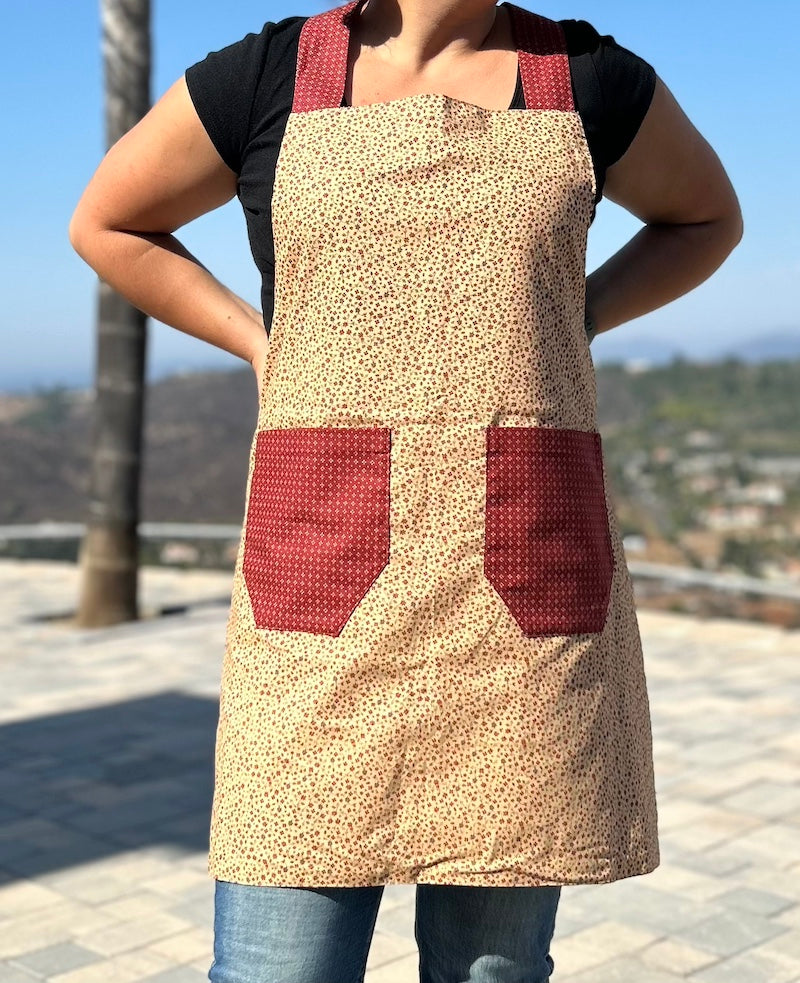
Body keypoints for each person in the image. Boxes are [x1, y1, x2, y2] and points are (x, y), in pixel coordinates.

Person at [69, 0, 743, 979]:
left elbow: (705, 216)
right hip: (322, 598)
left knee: (492, 971)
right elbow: (109, 221)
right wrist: (257, 342)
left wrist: (574, 312)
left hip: (518, 616)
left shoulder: (588, 77)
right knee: (277, 967)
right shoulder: (266, 75)